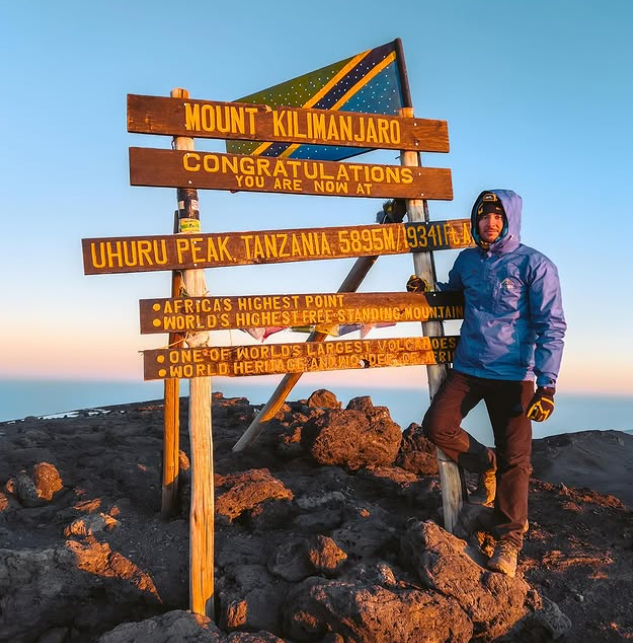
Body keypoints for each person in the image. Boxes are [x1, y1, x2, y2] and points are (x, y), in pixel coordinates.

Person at [407, 189, 566, 578]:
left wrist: (547, 385)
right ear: (475, 221)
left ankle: (509, 540)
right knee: (437, 426)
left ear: (509, 220)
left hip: (514, 376)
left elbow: (552, 325)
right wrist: (429, 291)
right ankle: (484, 462)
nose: (490, 223)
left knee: (517, 459)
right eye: (483, 216)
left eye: (497, 217)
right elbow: (456, 293)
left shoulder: (535, 265)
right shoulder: (467, 260)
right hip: (468, 367)